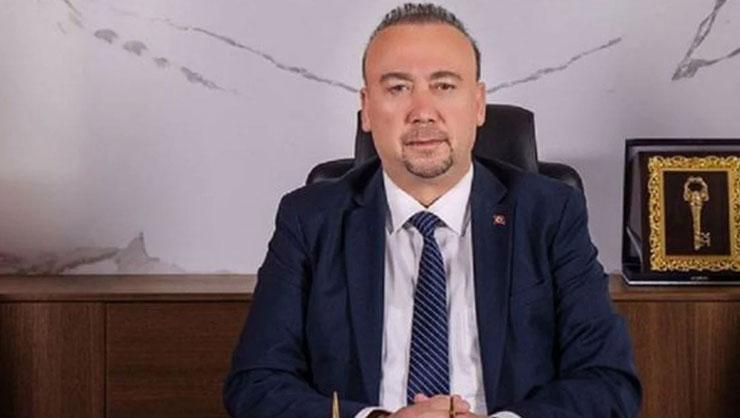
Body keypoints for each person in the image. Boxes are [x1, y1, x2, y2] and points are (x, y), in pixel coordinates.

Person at [224, 3, 641, 417]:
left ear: (478, 104)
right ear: (366, 109)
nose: (422, 112)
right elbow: (256, 384)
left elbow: (609, 382)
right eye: (397, 88)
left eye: (444, 86)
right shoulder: (310, 219)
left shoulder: (549, 213)